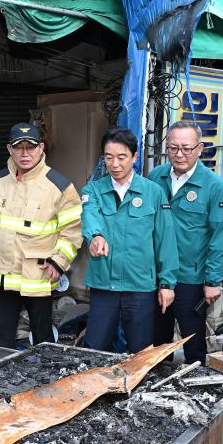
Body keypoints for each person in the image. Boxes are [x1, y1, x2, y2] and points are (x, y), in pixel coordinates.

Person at [0, 123, 83, 349]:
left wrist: (58, 263)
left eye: (30, 147)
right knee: (1, 338)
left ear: (41, 148)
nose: (25, 153)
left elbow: (72, 233)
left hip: (39, 276)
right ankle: (5, 382)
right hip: (4, 276)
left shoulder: (59, 186)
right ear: (9, 149)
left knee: (42, 338)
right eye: (18, 147)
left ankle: (45, 378)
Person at [81, 127, 178, 353]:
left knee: (141, 352)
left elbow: (165, 241)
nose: (114, 164)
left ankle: (139, 389)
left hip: (140, 286)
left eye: (121, 157)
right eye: (108, 157)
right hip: (104, 284)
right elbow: (90, 215)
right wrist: (95, 236)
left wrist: (167, 284)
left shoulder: (153, 192)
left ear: (134, 157)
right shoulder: (93, 190)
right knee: (94, 349)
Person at [148, 121, 223, 364]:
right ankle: (157, 390)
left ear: (199, 148)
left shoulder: (214, 186)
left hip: (191, 278)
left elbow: (220, 235)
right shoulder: (156, 177)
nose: (179, 154)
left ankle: (195, 387)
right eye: (173, 148)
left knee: (192, 341)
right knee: (157, 340)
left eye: (186, 148)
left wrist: (213, 281)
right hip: (158, 274)